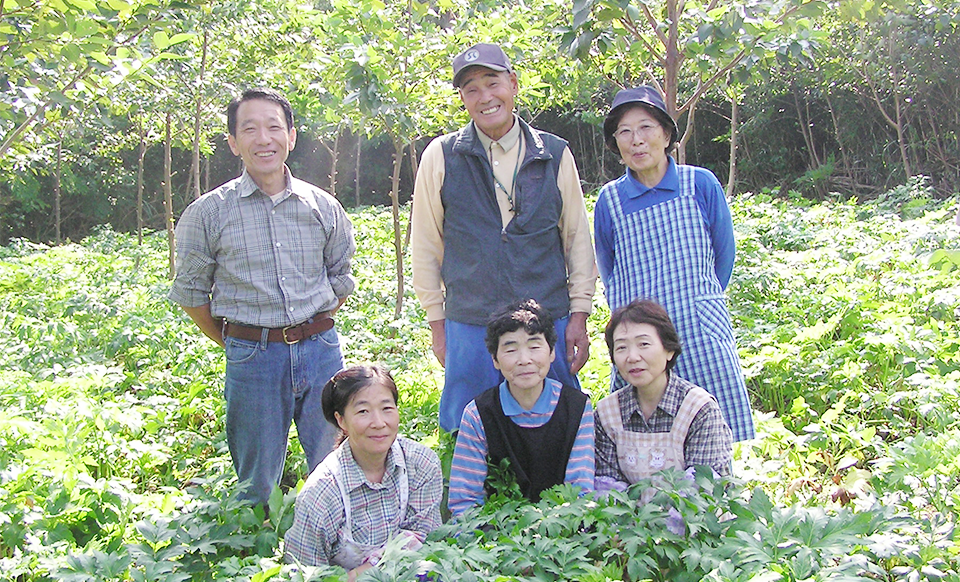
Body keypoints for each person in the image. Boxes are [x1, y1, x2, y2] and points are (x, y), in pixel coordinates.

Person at [168, 87, 356, 505]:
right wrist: (235, 340)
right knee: (256, 479)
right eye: (249, 129)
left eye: (274, 127)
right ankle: (259, 557)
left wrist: (311, 326)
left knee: (334, 463)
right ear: (234, 143)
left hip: (321, 350)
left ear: (291, 136)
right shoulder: (208, 212)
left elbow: (340, 278)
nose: (263, 139)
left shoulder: (323, 206)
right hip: (252, 356)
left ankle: (331, 543)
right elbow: (191, 293)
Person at [411, 42, 598, 433]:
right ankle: (470, 493)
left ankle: (565, 493)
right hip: (470, 320)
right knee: (468, 427)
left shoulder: (555, 153)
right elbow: (426, 246)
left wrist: (579, 313)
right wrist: (438, 323)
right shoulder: (441, 155)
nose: (485, 97)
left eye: (492, 83)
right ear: (462, 98)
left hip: (546, 315)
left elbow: (577, 238)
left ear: (513, 84)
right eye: (471, 89)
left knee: (559, 424)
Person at [594, 85, 755, 442]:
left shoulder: (699, 184)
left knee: (716, 429)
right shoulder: (610, 200)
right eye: (624, 132)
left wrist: (698, 299)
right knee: (645, 430)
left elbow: (723, 256)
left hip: (699, 326)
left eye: (646, 127)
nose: (636, 140)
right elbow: (609, 270)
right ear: (616, 145)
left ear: (666, 134)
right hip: (639, 337)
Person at [285, 365, 443, 580]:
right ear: (341, 420)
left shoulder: (421, 464)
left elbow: (429, 540)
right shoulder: (321, 494)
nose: (379, 423)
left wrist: (366, 570)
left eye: (387, 408)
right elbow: (305, 574)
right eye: (363, 412)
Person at [447, 299, 594, 517]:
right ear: (495, 360)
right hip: (497, 536)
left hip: (564, 533)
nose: (524, 360)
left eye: (534, 346)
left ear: (552, 352)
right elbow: (464, 501)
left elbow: (580, 493)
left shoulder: (577, 408)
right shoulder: (478, 414)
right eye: (511, 349)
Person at [595, 299, 733, 491]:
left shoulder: (699, 409)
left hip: (692, 518)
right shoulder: (606, 413)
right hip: (628, 520)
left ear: (669, 350)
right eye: (621, 347)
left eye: (643, 344)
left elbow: (704, 492)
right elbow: (607, 489)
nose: (632, 357)